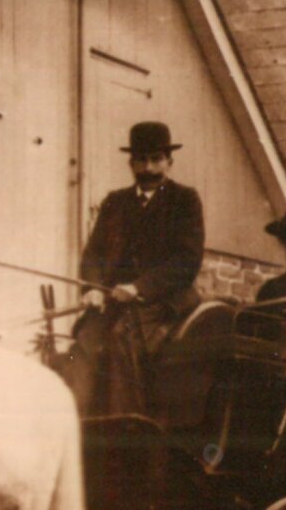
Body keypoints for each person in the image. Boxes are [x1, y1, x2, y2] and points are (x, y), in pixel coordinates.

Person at [68, 121, 205, 416]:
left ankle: (125, 431)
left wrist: (139, 288)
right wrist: (92, 287)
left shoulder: (185, 200)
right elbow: (93, 254)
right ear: (131, 164)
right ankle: (76, 428)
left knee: (121, 339)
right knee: (84, 342)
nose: (149, 168)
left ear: (169, 162)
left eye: (156, 159)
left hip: (162, 299)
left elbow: (187, 261)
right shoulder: (115, 202)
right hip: (112, 301)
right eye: (141, 159)